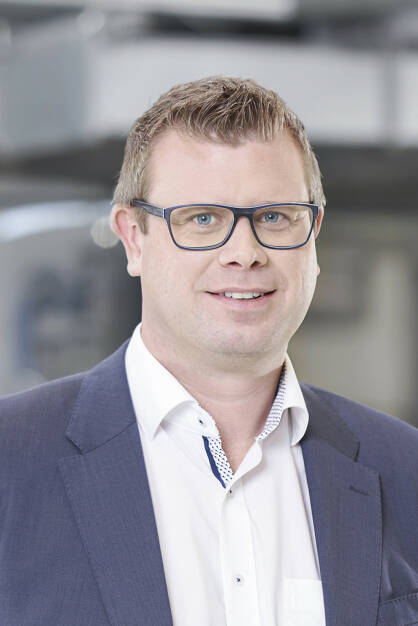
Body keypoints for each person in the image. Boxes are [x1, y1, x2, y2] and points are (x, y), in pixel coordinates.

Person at [1, 76, 417, 626]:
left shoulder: (405, 469)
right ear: (133, 238)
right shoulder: (10, 461)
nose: (244, 253)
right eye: (202, 219)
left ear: (313, 236)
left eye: (274, 217)